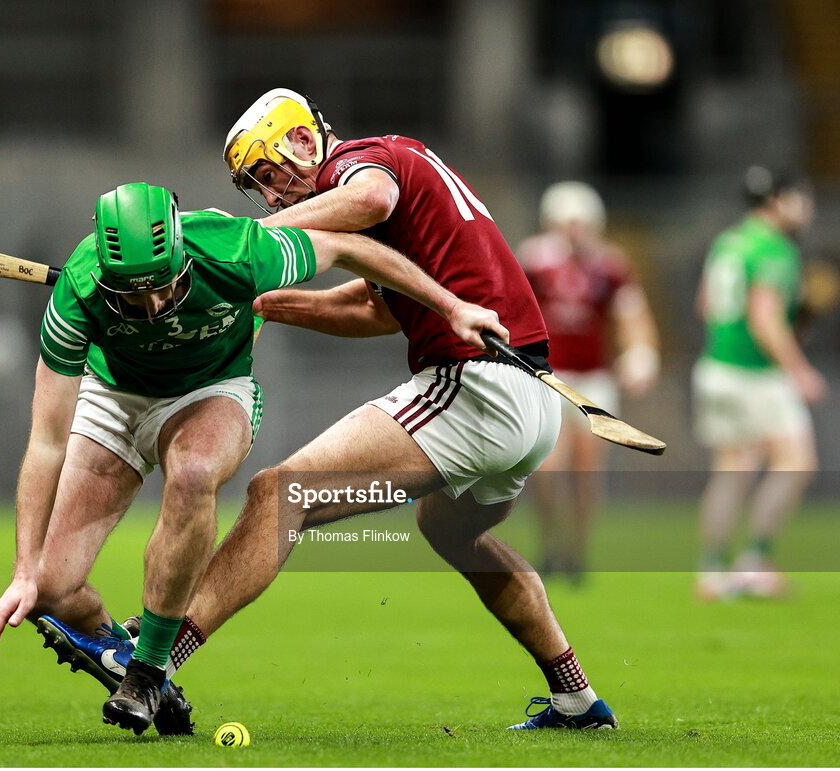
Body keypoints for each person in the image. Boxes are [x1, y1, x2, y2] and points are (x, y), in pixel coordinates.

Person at [49, 89, 616, 730]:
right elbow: (375, 309)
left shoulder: (365, 160)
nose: (270, 197)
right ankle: (577, 699)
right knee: (454, 534)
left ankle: (154, 665)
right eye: (254, 190)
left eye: (269, 175)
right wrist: (260, 301)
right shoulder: (390, 194)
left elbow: (370, 197)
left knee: (279, 495)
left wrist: (243, 243)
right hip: (527, 397)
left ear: (301, 141)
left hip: (476, 386)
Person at [0, 182, 506, 736]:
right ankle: (124, 658)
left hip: (211, 391)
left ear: (182, 251)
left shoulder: (236, 249)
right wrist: (22, 573)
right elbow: (46, 441)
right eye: (135, 297)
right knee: (52, 588)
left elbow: (350, 248)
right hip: (114, 397)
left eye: (164, 287)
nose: (154, 307)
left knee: (195, 473)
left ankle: (149, 667)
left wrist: (451, 307)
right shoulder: (78, 294)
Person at [692, 166, 826, 601]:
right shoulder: (774, 249)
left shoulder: (730, 241)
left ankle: (712, 571)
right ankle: (754, 562)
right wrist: (799, 369)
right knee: (797, 462)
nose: (805, 208)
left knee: (732, 469)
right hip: (754, 374)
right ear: (776, 201)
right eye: (798, 198)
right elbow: (764, 318)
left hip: (716, 366)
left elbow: (707, 304)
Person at [518, 182, 660, 579]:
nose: (574, 230)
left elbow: (633, 313)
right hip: (549, 376)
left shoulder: (610, 265)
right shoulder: (534, 260)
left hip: (595, 378)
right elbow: (512, 310)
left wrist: (641, 352)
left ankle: (576, 552)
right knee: (547, 469)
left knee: (586, 472)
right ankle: (549, 541)